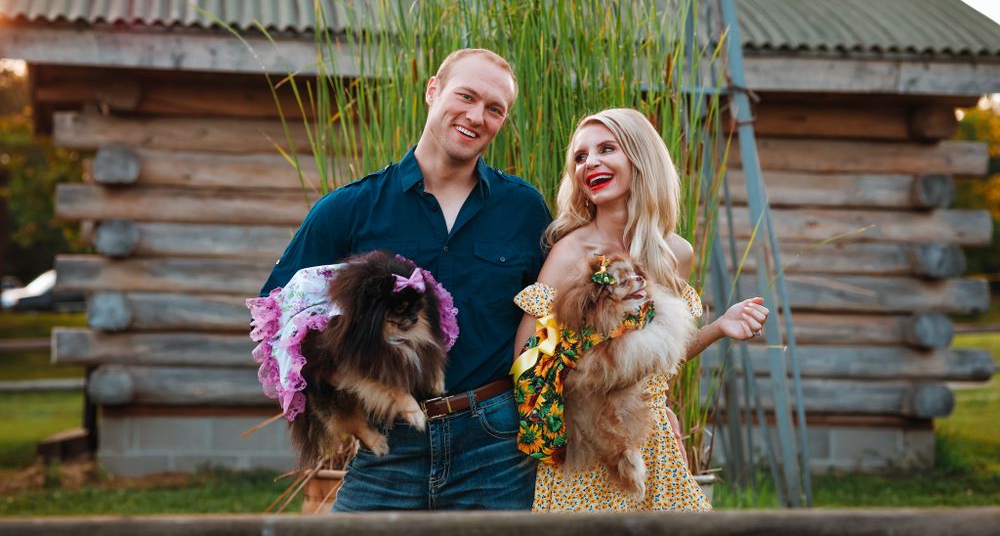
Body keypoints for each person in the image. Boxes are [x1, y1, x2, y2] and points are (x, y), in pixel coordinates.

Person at [260, 48, 551, 511]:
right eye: (466, 96)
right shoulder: (351, 208)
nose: (477, 116)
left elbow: (556, 320)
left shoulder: (524, 210)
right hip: (388, 444)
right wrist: (351, 381)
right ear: (433, 90)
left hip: (495, 448)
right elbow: (279, 314)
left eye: (494, 109)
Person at [512, 108, 768, 511]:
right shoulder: (570, 253)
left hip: (653, 441)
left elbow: (659, 358)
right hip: (589, 448)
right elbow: (528, 363)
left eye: (606, 149)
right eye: (580, 156)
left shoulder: (674, 254)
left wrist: (719, 327)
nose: (589, 163)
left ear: (640, 158)